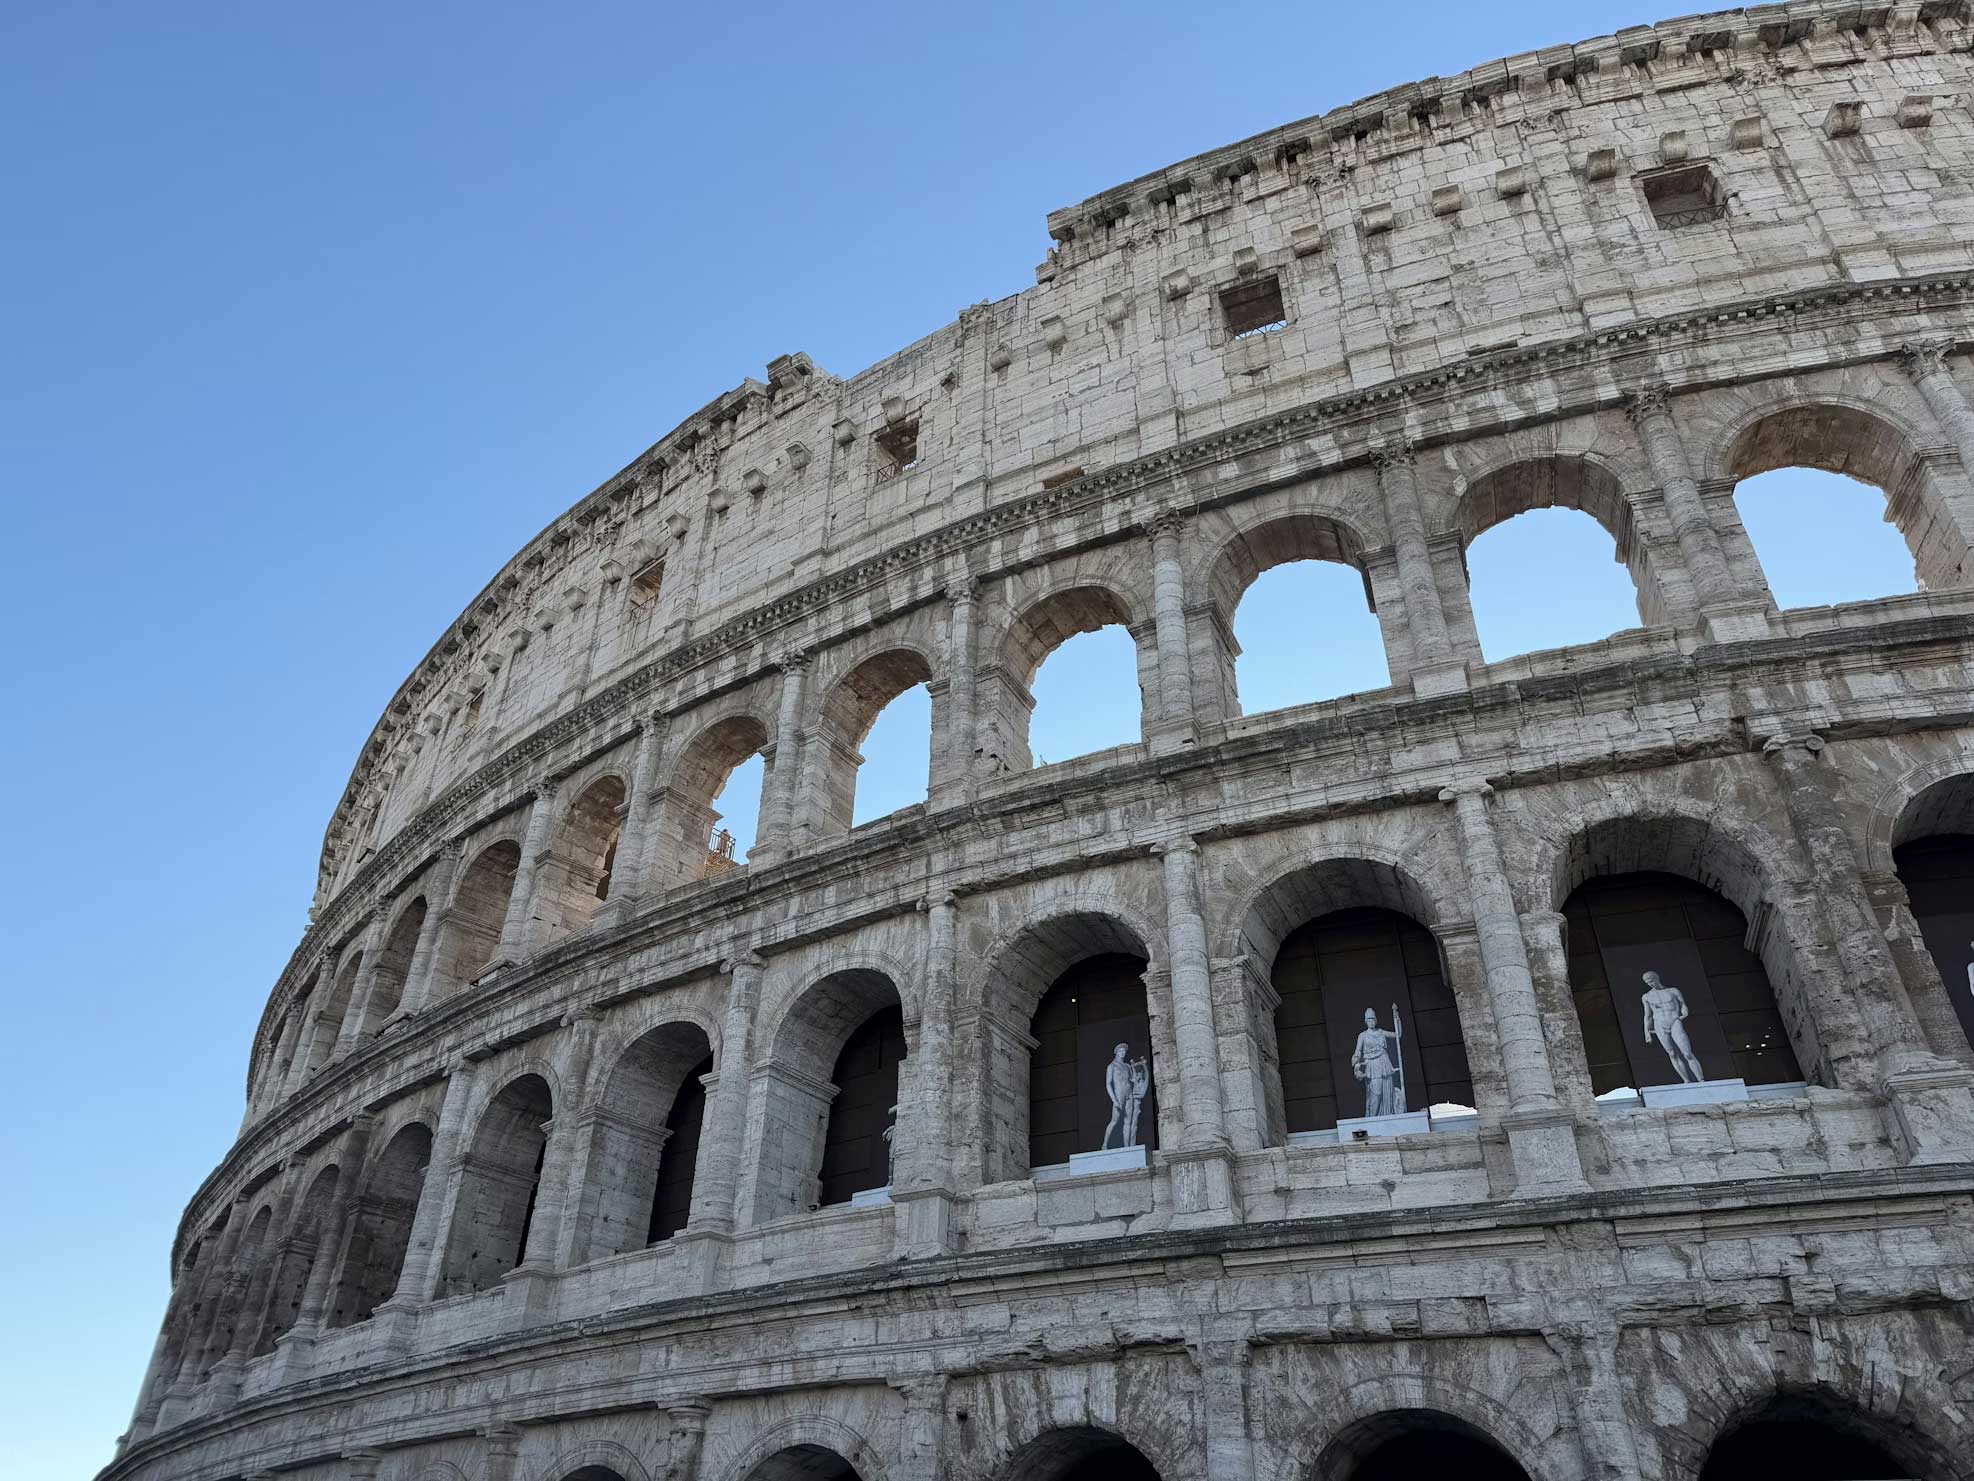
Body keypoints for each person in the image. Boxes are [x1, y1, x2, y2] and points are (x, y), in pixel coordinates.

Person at [1641, 970, 1705, 1083]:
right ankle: (1686, 1080)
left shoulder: (1673, 991)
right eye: (1647, 982)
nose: (1650, 984)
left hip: (1674, 1020)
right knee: (1672, 1053)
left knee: (1687, 1053)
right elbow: (1648, 1015)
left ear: (1656, 978)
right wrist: (1646, 1032)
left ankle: (1701, 1080)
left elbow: (1683, 1004)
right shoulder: (1646, 996)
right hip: (1659, 1024)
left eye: (1651, 980)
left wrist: (1685, 1011)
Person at [1351, 1008, 1404, 1117]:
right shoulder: (1363, 1035)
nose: (1371, 1022)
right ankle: (1372, 1118)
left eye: (1373, 1019)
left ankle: (1388, 1116)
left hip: (1384, 1063)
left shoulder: (1381, 1032)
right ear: (1366, 1022)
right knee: (1376, 1092)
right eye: (1369, 1020)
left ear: (1376, 1020)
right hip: (1372, 1065)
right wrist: (1356, 1060)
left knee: (1387, 1092)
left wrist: (1397, 1019)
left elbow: (1397, 1035)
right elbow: (1358, 1051)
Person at [1102, 1042, 1148, 1150]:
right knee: (1114, 1120)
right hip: (1119, 1095)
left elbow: (1132, 1080)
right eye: (1120, 1051)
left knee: (1128, 1121)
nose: (1122, 1053)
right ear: (1116, 1053)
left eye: (1124, 1051)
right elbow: (1108, 1084)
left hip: (1129, 1094)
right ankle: (1104, 1144)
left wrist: (1140, 1074)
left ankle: (1127, 1147)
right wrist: (1114, 1100)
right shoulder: (1111, 1066)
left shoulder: (1127, 1066)